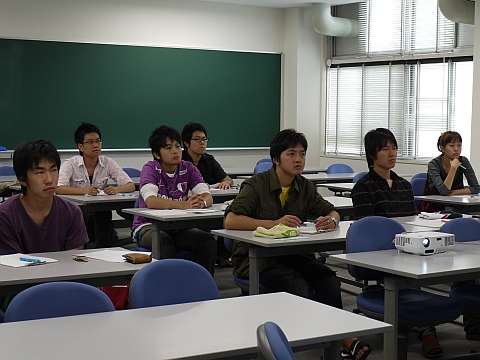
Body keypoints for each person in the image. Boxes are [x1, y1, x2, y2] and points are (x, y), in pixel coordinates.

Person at [224, 129, 370, 360]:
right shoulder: (255, 185)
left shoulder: (304, 186)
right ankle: (323, 342)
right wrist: (273, 223)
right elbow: (231, 220)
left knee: (328, 280)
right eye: (291, 154)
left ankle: (336, 344)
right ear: (276, 158)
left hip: (294, 256)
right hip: (257, 261)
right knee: (298, 286)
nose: (298, 159)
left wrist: (330, 220)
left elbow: (331, 211)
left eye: (302, 154)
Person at [351, 128, 443, 359]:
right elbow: (368, 230)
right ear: (373, 154)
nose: (392, 153)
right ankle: (425, 330)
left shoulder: (403, 185)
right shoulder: (364, 187)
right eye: (385, 149)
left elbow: (411, 221)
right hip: (378, 254)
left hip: (407, 248)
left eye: (394, 148)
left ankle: (421, 324)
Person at [132, 125, 216, 275]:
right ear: (157, 154)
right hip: (148, 226)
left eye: (178, 146)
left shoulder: (188, 167)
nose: (175, 151)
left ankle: (204, 286)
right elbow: (151, 201)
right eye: (168, 148)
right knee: (164, 242)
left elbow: (207, 195)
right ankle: (169, 289)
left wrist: (201, 202)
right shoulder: (150, 168)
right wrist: (184, 205)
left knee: (207, 241)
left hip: (177, 227)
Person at [0, 140, 88, 255]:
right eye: (40, 172)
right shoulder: (5, 215)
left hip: (63, 272)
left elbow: (75, 259)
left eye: (53, 170)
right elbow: (10, 264)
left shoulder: (72, 212)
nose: (49, 180)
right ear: (22, 179)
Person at [56, 123, 135, 248]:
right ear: (80, 146)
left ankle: (105, 246)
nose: (96, 145)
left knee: (103, 213)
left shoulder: (107, 162)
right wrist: (85, 191)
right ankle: (87, 245)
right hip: (76, 210)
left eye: (98, 141)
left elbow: (130, 185)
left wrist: (115, 189)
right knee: (92, 215)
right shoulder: (70, 164)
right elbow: (59, 189)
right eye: (90, 142)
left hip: (99, 209)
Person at [424, 131, 479, 198]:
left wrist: (453, 192)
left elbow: (476, 188)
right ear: (442, 148)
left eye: (459, 145)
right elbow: (444, 191)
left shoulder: (463, 160)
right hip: (436, 203)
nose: (456, 149)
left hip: (457, 202)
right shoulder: (433, 164)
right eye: (451, 146)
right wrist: (453, 168)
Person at [181, 122, 233, 189]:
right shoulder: (179, 160)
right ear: (186, 143)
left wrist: (226, 182)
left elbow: (227, 179)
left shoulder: (209, 160)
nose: (202, 142)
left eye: (204, 139)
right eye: (197, 139)